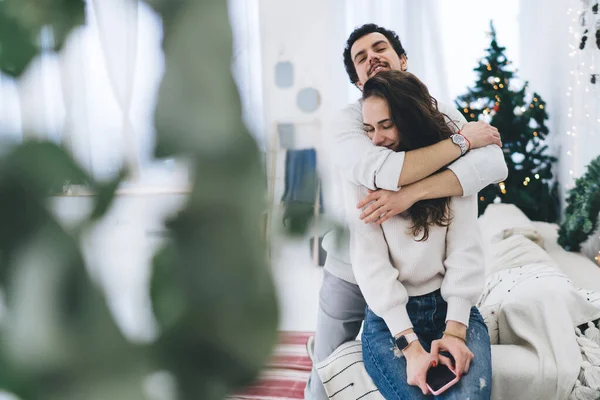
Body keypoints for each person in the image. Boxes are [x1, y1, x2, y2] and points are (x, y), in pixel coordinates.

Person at [305, 23, 507, 400]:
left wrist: (411, 195)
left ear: (403, 58)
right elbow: (384, 172)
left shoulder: (439, 117)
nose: (371, 58)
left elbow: (494, 166)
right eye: (360, 58)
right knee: (325, 365)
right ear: (357, 81)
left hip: (429, 276)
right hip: (353, 264)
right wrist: (461, 144)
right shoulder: (350, 124)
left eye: (379, 48)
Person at [347, 69, 491, 399]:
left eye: (386, 125)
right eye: (369, 128)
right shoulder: (362, 172)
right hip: (389, 323)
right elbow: (371, 267)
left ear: (411, 119)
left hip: (450, 308)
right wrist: (410, 347)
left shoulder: (457, 165)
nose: (376, 140)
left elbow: (465, 252)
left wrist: (455, 330)